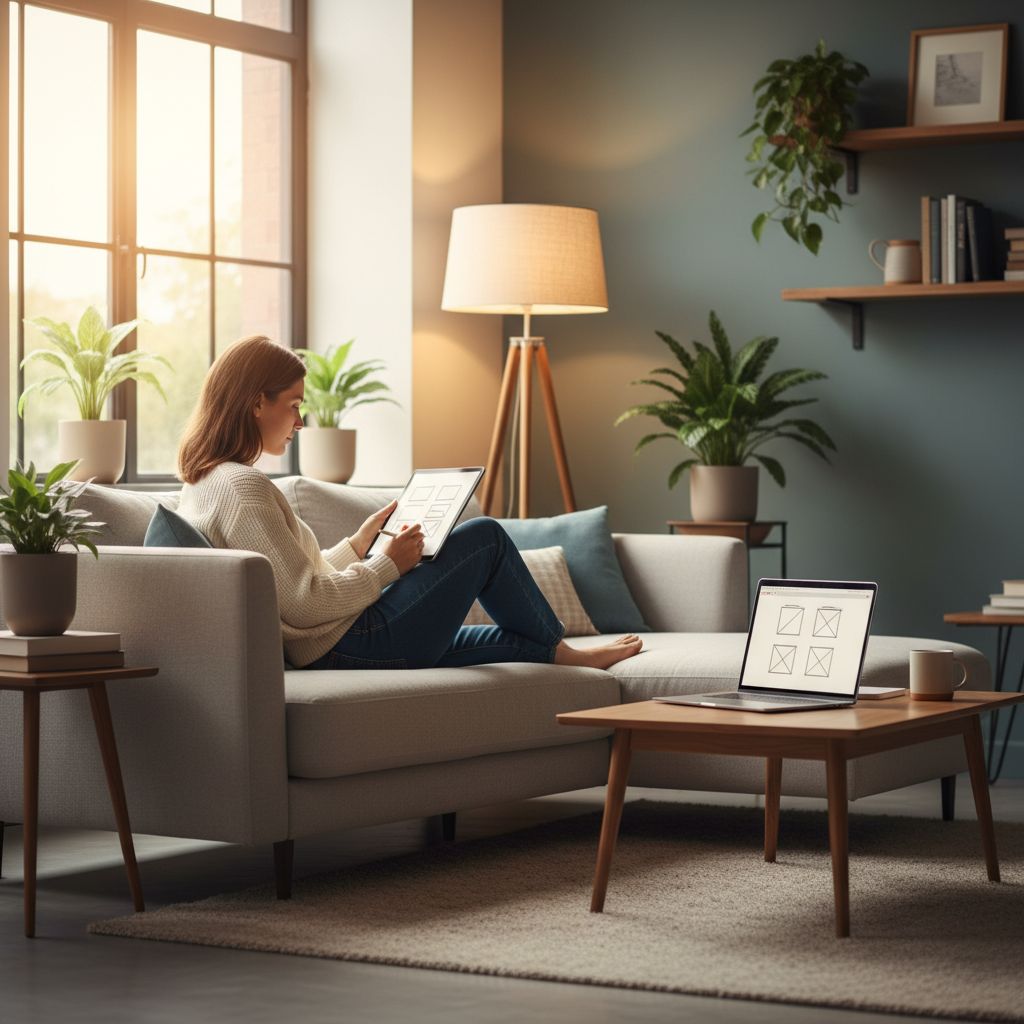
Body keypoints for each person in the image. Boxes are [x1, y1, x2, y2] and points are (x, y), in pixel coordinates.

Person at [177, 335, 643, 672]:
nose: (300, 422)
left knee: (492, 640)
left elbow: (294, 584)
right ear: (257, 403)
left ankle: (556, 655)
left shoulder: (207, 483)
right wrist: (387, 566)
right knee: (485, 538)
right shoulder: (244, 488)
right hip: (346, 645)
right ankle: (567, 650)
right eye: (295, 405)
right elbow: (303, 605)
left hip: (333, 644)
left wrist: (359, 546)